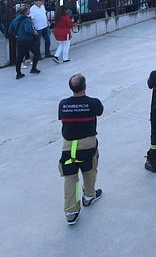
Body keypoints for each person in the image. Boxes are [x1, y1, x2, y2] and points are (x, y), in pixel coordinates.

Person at [57, 74, 104, 226]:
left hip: (68, 147)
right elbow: (100, 111)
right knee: (89, 170)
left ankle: (71, 212)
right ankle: (89, 196)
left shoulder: (63, 104)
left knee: (70, 178)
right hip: (87, 144)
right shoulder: (93, 103)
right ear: (85, 86)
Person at [9, 3, 39, 79]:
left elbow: (10, 30)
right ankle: (33, 68)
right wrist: (34, 32)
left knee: (19, 57)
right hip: (28, 40)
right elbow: (28, 29)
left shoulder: (15, 19)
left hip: (19, 40)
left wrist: (17, 34)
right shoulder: (27, 20)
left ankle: (18, 73)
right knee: (36, 53)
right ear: (26, 12)